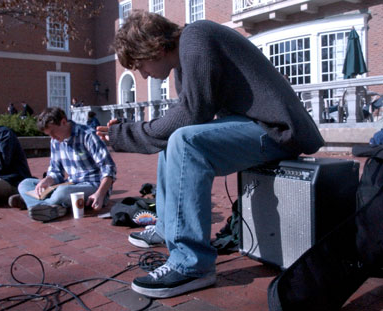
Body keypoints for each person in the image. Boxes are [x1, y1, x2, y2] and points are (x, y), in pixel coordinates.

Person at [97, 11, 324, 298]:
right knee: (175, 142)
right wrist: (129, 133)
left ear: (154, 48)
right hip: (256, 127)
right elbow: (188, 117)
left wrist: (126, 134)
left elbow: (191, 115)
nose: (142, 74)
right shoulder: (185, 57)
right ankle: (168, 229)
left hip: (279, 131)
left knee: (184, 141)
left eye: (140, 64)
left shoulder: (197, 37)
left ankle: (192, 265)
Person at [11, 107, 116, 222]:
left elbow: (108, 168)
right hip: (70, 184)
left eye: (53, 132)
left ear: (63, 122)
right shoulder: (55, 141)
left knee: (62, 192)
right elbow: (56, 171)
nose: (52, 138)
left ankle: (34, 203)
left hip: (93, 186)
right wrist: (47, 180)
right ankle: (51, 207)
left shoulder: (88, 136)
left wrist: (100, 194)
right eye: (49, 135)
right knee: (25, 183)